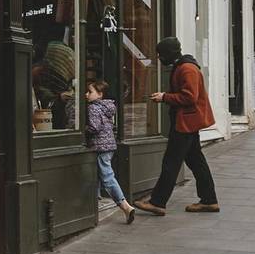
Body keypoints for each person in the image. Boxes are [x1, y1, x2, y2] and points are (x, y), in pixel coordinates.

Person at [134, 37, 219, 216]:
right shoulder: (183, 66)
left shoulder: (187, 69)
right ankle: (209, 200)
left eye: (160, 54)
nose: (158, 57)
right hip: (187, 122)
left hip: (185, 123)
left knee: (171, 163)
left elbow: (190, 97)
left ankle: (157, 202)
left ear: (168, 53)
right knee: (197, 162)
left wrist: (165, 97)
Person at [84, 81, 135, 224]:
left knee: (107, 177)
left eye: (90, 92)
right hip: (110, 145)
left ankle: (125, 206)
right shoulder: (108, 106)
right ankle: (97, 199)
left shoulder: (93, 107)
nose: (86, 94)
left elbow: (94, 128)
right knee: (100, 174)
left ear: (99, 94)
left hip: (100, 146)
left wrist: (81, 129)